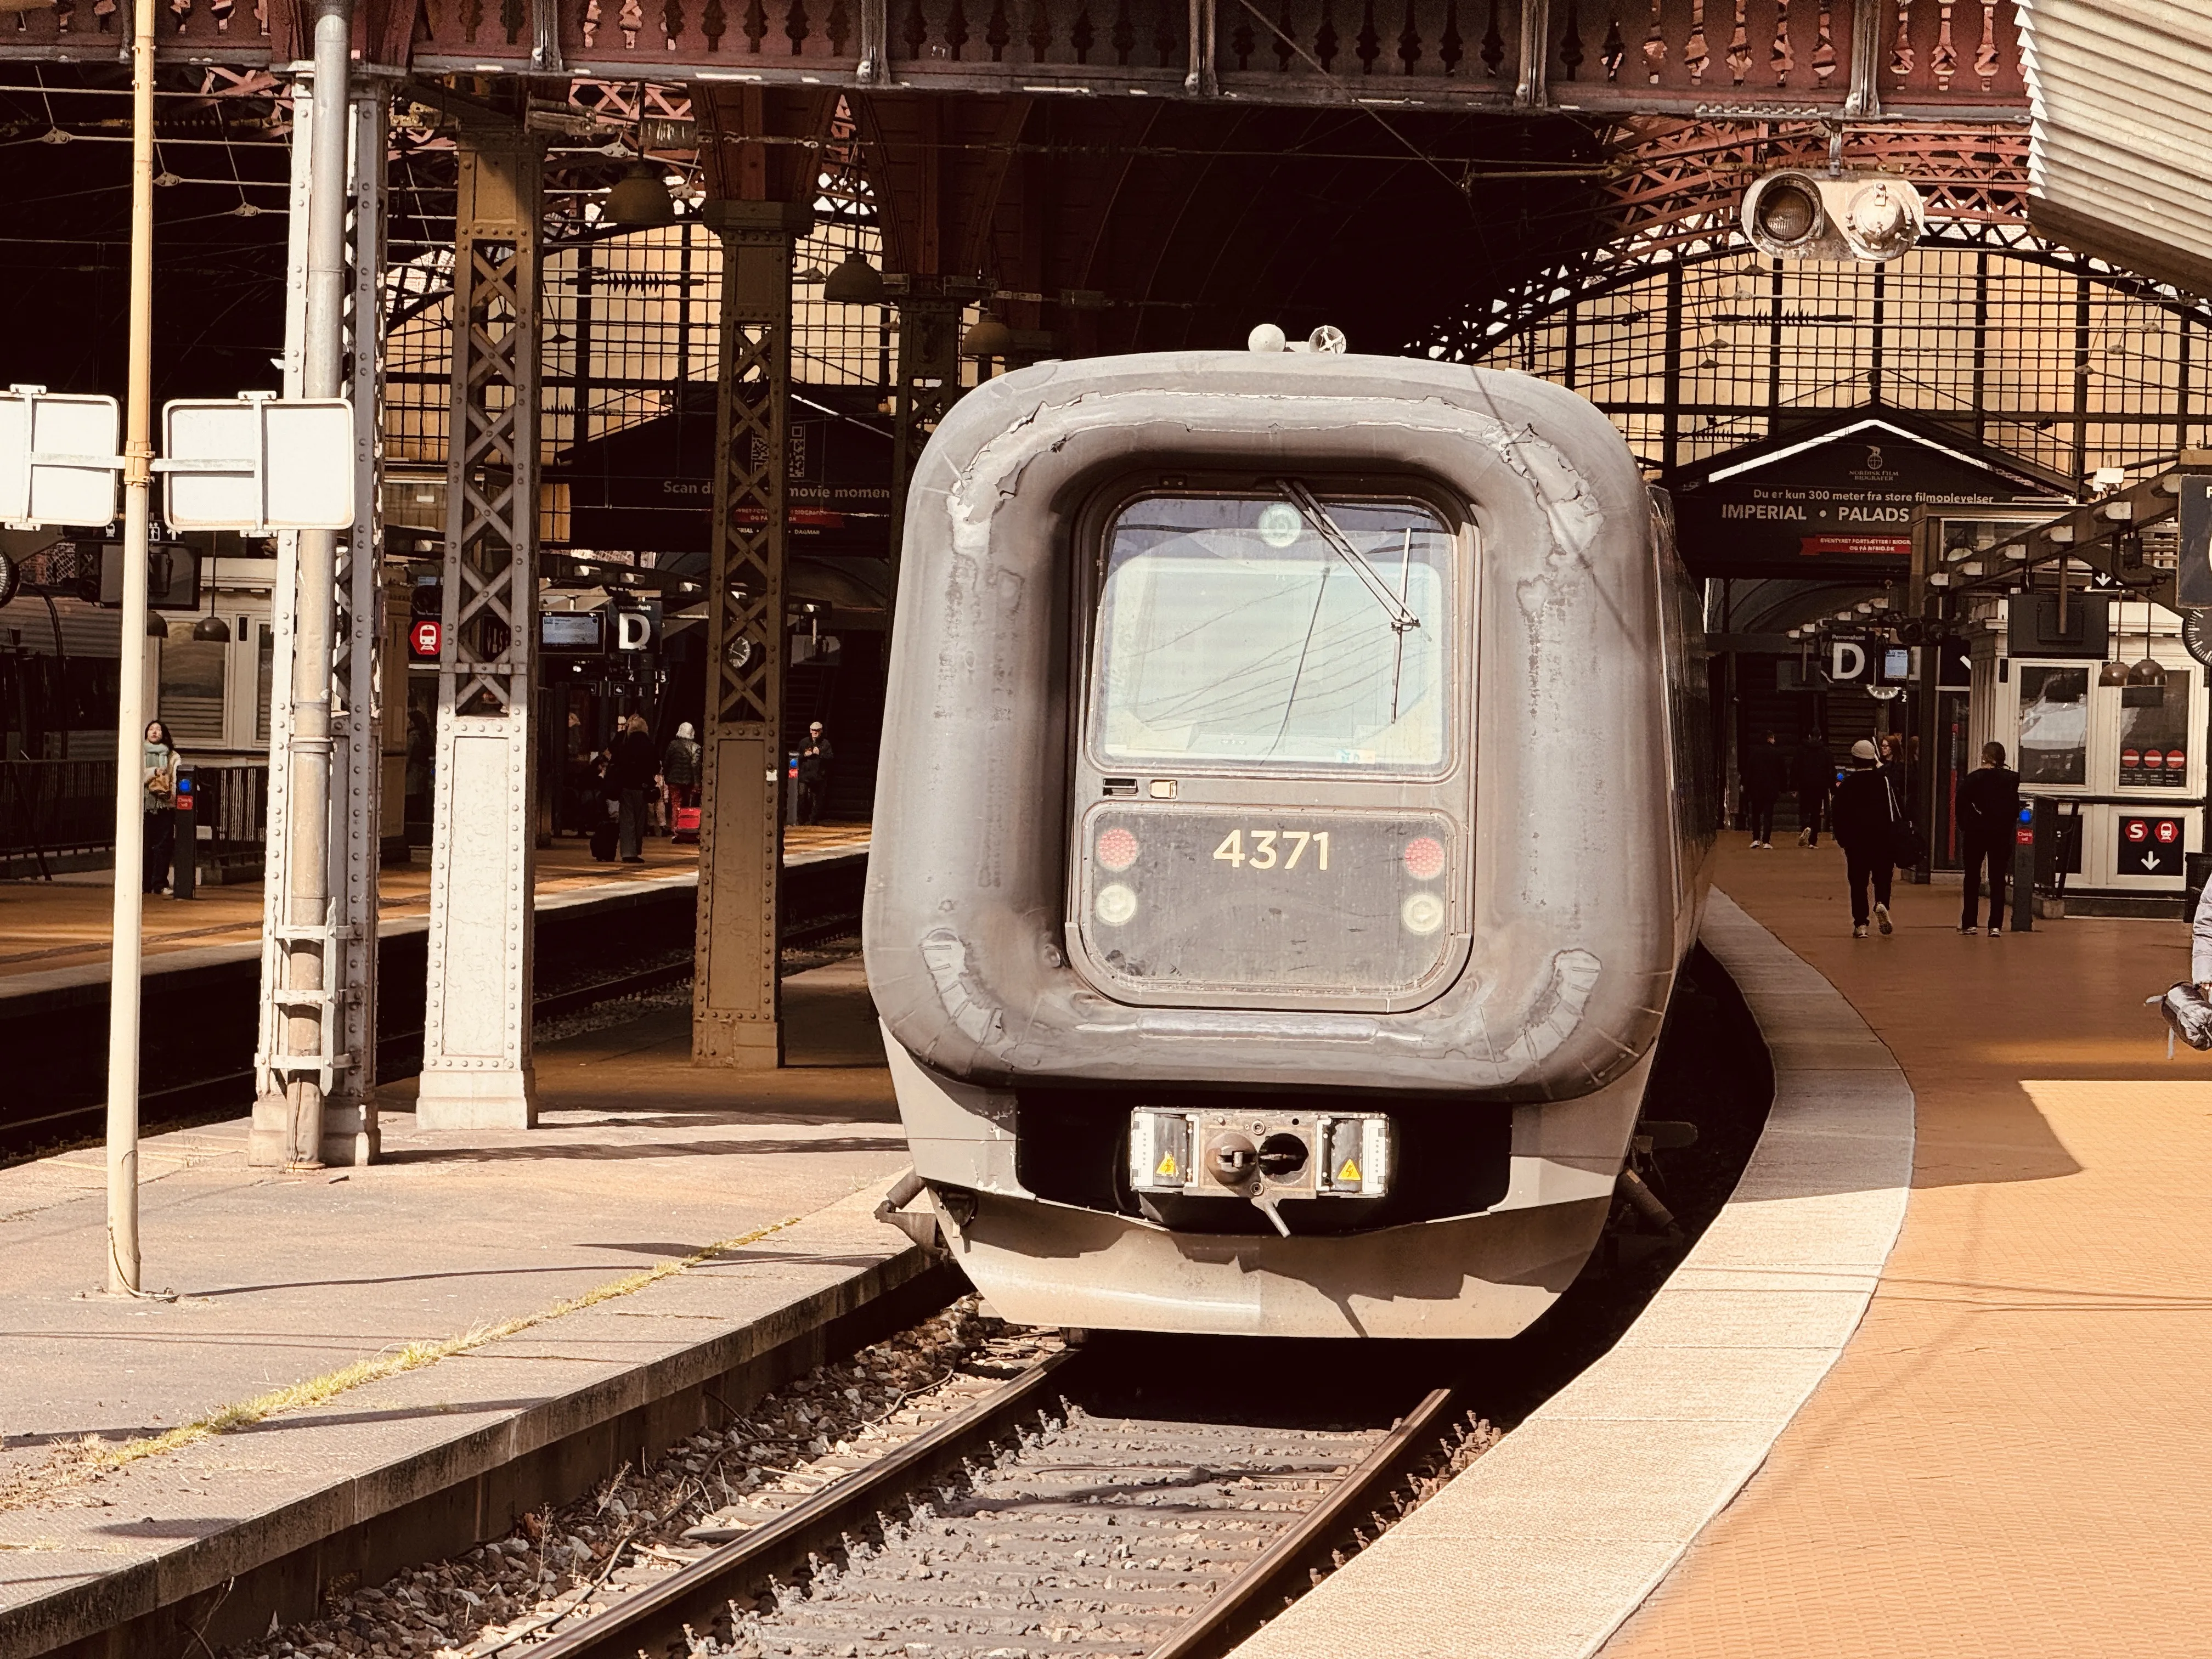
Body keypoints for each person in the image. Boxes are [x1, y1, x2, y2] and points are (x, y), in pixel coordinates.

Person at [1831, 737, 1898, 939]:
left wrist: (1844, 841)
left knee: (1858, 882)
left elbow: (1838, 815)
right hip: (1883, 839)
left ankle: (1861, 924)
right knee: (1883, 878)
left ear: (1854, 760)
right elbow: (1894, 810)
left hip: (1857, 842)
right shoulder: (1883, 781)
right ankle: (1881, 905)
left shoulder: (1846, 786)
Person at [1956, 739, 2021, 936]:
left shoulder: (1972, 779)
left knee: (1972, 877)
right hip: (2000, 834)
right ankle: (1995, 925)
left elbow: (1961, 807)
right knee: (1997, 878)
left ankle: (1970, 923)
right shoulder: (2010, 780)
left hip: (1975, 833)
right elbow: (2014, 809)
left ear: (1985, 757)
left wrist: (1966, 827)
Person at [611, 713, 659, 862]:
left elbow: (617, 763)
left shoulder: (625, 745)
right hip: (642, 787)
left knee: (627, 819)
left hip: (626, 786)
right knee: (639, 820)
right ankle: (636, 850)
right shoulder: (649, 745)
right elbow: (656, 766)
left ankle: (627, 852)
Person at [142, 719, 178, 896]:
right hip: (145, 805)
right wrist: (155, 772)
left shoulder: (173, 756)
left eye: (158, 730)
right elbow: (138, 776)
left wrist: (174, 795)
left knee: (164, 845)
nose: (155, 732)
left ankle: (160, 884)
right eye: (151, 729)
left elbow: (176, 777)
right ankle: (143, 884)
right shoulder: (139, 753)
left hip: (164, 805)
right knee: (145, 845)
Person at [1742, 731, 1785, 849]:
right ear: (1770, 739)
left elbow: (1749, 772)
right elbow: (1782, 772)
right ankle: (1766, 841)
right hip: (1771, 789)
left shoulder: (1754, 753)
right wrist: (1783, 788)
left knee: (1756, 814)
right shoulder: (1777, 754)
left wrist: (1746, 787)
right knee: (1768, 815)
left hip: (1756, 789)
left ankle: (1756, 839)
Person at [1794, 731, 1834, 847]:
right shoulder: (1826, 751)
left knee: (1804, 809)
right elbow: (1831, 770)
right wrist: (1832, 788)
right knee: (1816, 812)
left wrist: (1793, 786)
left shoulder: (1801, 750)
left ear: (1809, 736)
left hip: (1805, 785)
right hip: (1820, 786)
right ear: (1821, 737)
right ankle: (1813, 840)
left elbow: (1796, 768)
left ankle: (1805, 826)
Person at [796, 720, 834, 825]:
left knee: (817, 800)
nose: (815, 732)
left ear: (821, 731)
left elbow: (831, 757)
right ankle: (801, 819)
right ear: (810, 730)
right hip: (805, 776)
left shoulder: (825, 743)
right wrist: (805, 755)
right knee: (802, 796)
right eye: (813, 730)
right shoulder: (804, 742)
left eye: (817, 730)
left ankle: (813, 820)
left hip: (819, 776)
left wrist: (820, 753)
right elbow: (796, 756)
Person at [663, 720, 701, 819]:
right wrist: (697, 783)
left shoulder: (673, 745)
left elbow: (667, 762)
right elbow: (695, 765)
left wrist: (667, 778)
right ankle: (686, 827)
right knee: (688, 806)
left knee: (676, 804)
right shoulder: (696, 747)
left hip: (674, 780)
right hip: (690, 782)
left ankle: (675, 830)